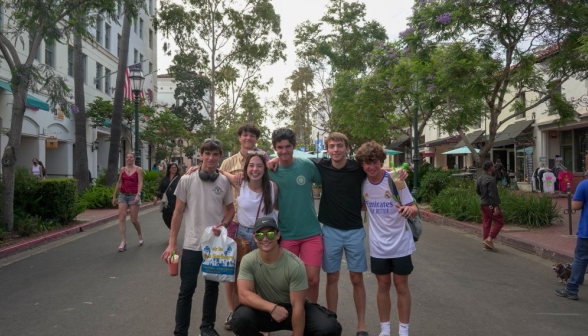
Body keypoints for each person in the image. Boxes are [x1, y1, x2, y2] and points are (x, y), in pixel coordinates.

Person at [161, 139, 235, 336]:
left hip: (214, 246)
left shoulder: (223, 181)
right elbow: (177, 212)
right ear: (201, 155)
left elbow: (230, 209)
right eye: (207, 154)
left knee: (212, 288)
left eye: (215, 154)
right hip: (192, 244)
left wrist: (224, 224)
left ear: (220, 157)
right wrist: (172, 244)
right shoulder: (187, 180)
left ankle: (207, 328)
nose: (211, 158)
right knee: (187, 289)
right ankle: (180, 331)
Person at [230, 217, 342, 336]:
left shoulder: (295, 264)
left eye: (270, 234)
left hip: (291, 308)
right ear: (254, 238)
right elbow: (243, 294)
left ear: (278, 235)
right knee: (239, 320)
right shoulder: (248, 260)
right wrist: (272, 308)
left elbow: (298, 307)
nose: (265, 238)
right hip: (263, 308)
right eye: (260, 235)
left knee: (330, 327)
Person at [356, 141, 417, 336]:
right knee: (382, 286)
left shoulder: (394, 179)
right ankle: (385, 330)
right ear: (362, 164)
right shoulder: (362, 183)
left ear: (381, 161)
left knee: (401, 286)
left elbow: (414, 207)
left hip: (401, 243)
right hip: (378, 246)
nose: (371, 167)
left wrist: (409, 209)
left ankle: (404, 330)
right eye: (367, 163)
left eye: (374, 162)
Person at [218, 123, 269, 330]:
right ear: (239, 137)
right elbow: (215, 173)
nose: (248, 138)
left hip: (256, 224)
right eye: (245, 135)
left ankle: (254, 311)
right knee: (231, 271)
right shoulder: (228, 162)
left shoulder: (263, 159)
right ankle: (233, 311)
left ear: (256, 139)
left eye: (252, 135)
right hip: (233, 221)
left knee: (257, 271)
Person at [268, 127, 323, 303]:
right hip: (287, 233)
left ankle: (312, 316)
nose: (284, 151)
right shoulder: (271, 171)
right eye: (280, 147)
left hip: (311, 233)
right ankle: (296, 315)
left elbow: (328, 180)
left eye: (287, 146)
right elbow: (248, 174)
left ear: (294, 146)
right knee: (289, 281)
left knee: (313, 280)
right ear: (275, 148)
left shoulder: (306, 166)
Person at [555, 179, 588, 300]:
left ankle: (572, 289)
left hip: (587, 232)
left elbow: (576, 205)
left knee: (581, 259)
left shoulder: (584, 184)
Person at [111, 152, 144, 252]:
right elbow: (119, 182)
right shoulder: (122, 169)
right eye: (127, 157)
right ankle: (123, 241)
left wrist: (138, 194)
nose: (129, 159)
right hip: (123, 195)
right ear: (125, 159)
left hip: (134, 195)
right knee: (121, 217)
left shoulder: (139, 170)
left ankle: (140, 234)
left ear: (134, 159)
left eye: (131, 157)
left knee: (134, 220)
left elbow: (140, 182)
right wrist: (114, 196)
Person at [476, 160, 504, 251]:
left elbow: (477, 190)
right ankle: (489, 239)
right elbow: (493, 194)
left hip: (483, 203)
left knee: (486, 223)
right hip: (490, 204)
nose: (494, 167)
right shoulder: (491, 180)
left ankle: (486, 243)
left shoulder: (480, 178)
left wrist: (483, 197)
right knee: (500, 221)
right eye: (493, 166)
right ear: (490, 168)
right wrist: (495, 206)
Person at [153, 163, 181, 229]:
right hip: (166, 202)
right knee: (165, 217)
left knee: (174, 217)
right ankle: (172, 230)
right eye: (172, 168)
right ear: (169, 169)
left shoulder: (180, 178)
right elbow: (160, 189)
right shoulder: (165, 179)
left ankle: (172, 234)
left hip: (176, 201)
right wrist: (156, 197)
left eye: (175, 168)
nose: (174, 169)